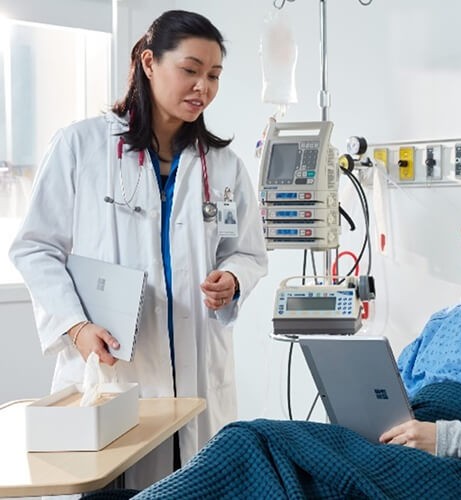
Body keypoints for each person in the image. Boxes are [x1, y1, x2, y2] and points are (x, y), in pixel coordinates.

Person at [130, 173, 461, 499]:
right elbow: (396, 400)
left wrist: (448, 440)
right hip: (393, 447)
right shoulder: (451, 318)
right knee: (268, 459)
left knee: (251, 440)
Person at [9, 10, 268, 489]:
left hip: (196, 376)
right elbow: (35, 248)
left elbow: (248, 253)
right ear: (149, 63)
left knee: (196, 481)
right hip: (113, 367)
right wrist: (75, 324)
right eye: (190, 70)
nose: (203, 87)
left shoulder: (224, 165)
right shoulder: (80, 146)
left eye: (213, 76)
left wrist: (232, 280)